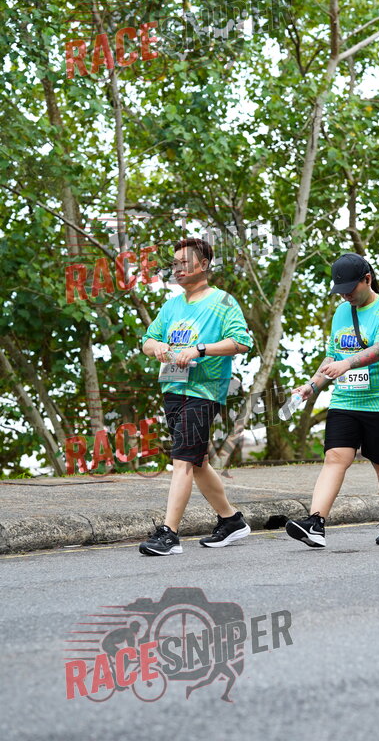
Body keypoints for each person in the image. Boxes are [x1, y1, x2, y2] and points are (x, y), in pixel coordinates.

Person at [285, 252, 379, 548]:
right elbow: (332, 356)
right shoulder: (342, 312)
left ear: (367, 279)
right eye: (340, 291)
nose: (345, 296)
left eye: (350, 289)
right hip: (345, 399)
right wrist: (312, 386)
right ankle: (315, 523)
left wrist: (347, 363)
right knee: (334, 457)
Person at [139, 237, 253, 556]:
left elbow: (242, 342)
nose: (177, 269)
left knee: (182, 461)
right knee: (196, 460)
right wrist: (157, 347)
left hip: (204, 391)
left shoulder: (223, 302)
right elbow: (147, 341)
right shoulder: (171, 305)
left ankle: (169, 534)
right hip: (173, 388)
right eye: (174, 264)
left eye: (184, 264)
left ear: (203, 265)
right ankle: (231, 521)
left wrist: (200, 349)